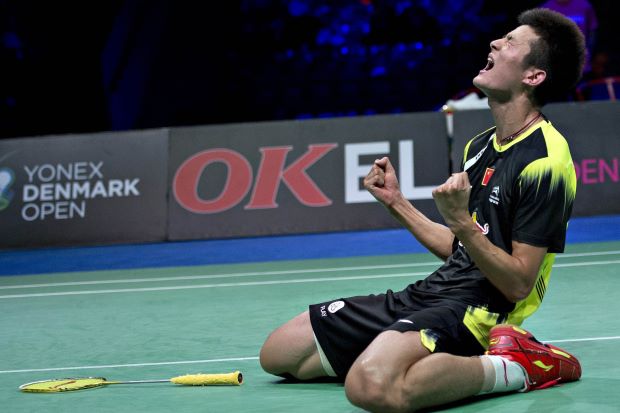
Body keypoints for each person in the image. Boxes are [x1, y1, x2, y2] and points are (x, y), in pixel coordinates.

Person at [260, 8, 586, 412]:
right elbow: (463, 250)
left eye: (510, 42)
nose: (495, 43)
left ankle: (519, 367)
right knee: (281, 353)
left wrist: (462, 222)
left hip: (481, 310)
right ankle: (400, 354)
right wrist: (397, 203)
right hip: (433, 293)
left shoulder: (546, 160)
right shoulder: (479, 146)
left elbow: (518, 284)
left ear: (533, 76)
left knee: (370, 387)